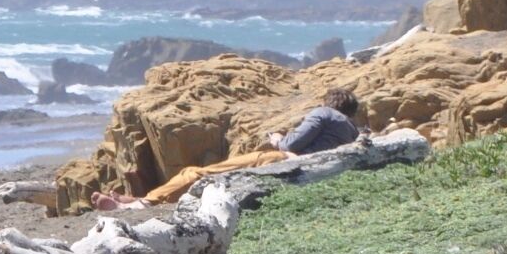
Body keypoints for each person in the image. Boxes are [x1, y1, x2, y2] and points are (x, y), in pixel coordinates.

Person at [91, 86, 368, 210]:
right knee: (194, 174)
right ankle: (139, 200)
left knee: (195, 174)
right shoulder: (351, 131)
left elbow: (293, 144)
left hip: (282, 160)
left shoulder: (325, 114)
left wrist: (277, 139)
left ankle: (138, 206)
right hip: (304, 171)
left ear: (331, 102)